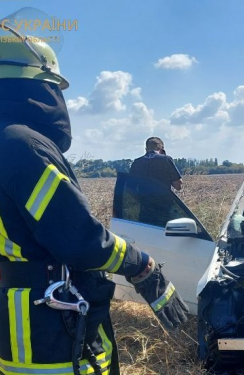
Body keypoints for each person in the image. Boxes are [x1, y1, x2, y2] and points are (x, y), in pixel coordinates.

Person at [0, 28, 188, 375]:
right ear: (37, 87)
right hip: (52, 333)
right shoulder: (22, 147)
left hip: (16, 322)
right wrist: (141, 265)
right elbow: (80, 239)